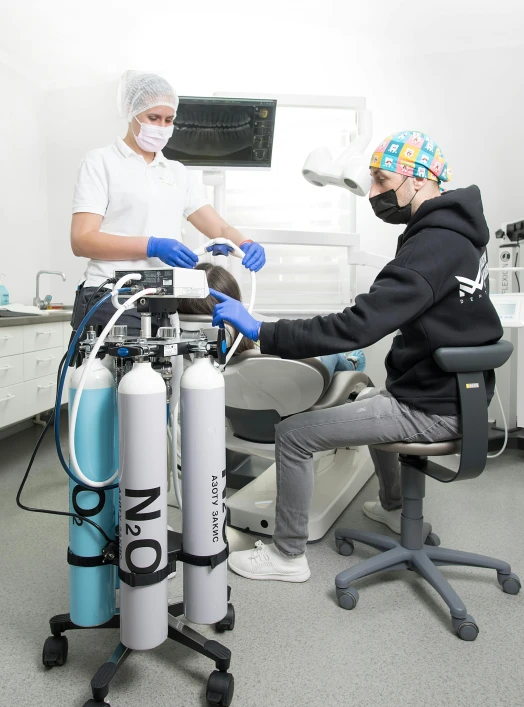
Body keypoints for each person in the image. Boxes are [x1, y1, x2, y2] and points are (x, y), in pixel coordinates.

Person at [210, 129, 503, 583]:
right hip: (457, 396)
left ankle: (287, 556)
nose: (373, 193)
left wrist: (262, 330)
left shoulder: (429, 246)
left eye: (384, 181)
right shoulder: (460, 236)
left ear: (420, 179)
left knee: (292, 433)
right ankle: (393, 508)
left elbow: (356, 328)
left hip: (432, 409)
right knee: (365, 399)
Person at [70, 70, 266, 336]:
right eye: (153, 118)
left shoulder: (176, 172)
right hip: (110, 296)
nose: (161, 126)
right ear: (131, 110)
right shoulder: (101, 162)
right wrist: (152, 245)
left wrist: (245, 243)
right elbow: (82, 240)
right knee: (114, 376)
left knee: (163, 376)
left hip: (162, 300)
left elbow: (219, 229)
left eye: (168, 120)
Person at [177, 262, 366, 376]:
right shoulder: (255, 342)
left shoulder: (186, 355)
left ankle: (349, 360)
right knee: (332, 351)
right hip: (310, 374)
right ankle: (352, 362)